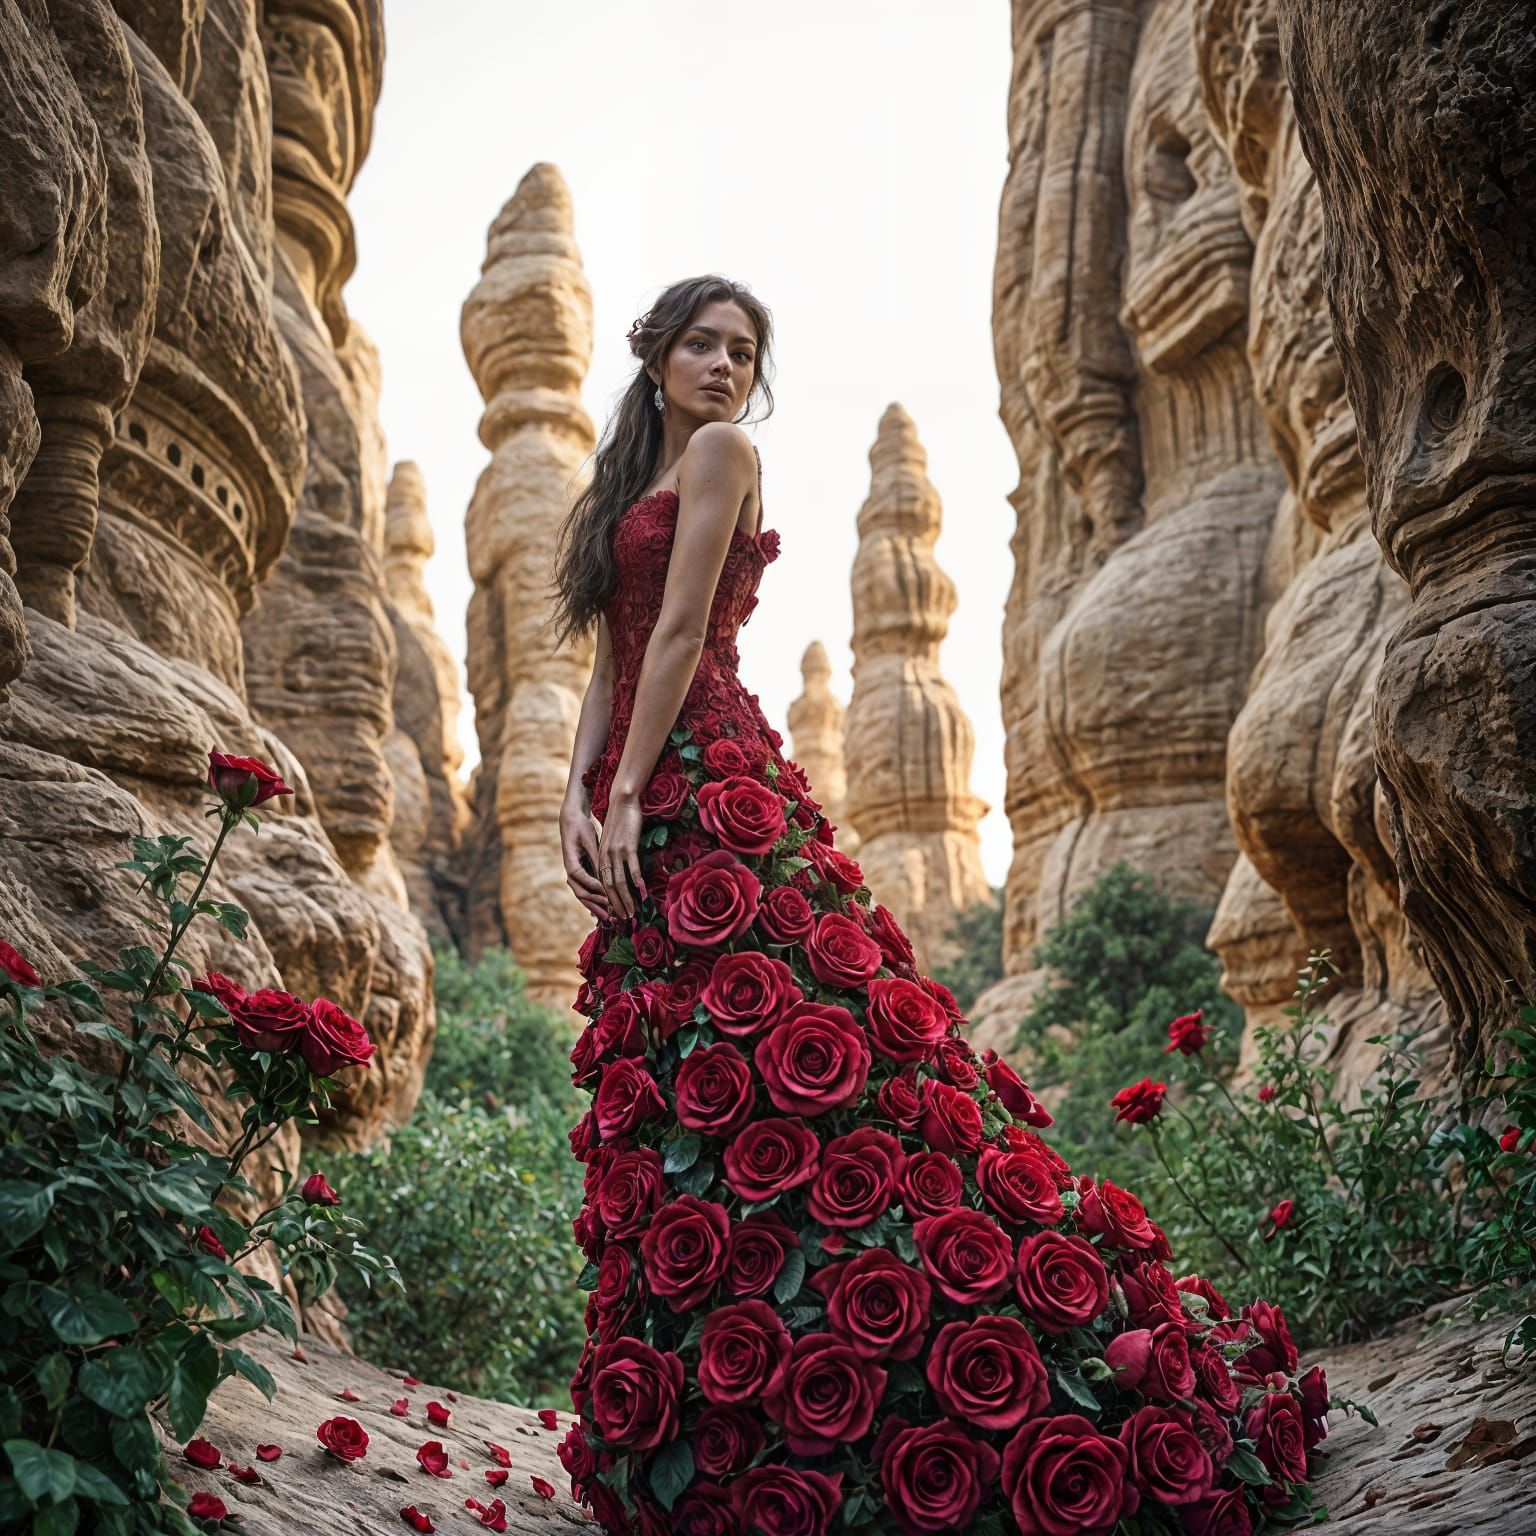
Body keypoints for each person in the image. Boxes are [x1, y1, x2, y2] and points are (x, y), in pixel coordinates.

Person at [552, 275, 1327, 1536]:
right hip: (642, 780)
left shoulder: (725, 455)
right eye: (703, 344)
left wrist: (632, 787)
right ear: (652, 356)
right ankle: (724, 1399)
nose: (726, 367)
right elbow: (613, 654)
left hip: (708, 776)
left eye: (745, 350)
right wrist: (575, 798)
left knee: (808, 1056)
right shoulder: (623, 489)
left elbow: (687, 627)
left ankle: (921, 1354)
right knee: (690, 1064)